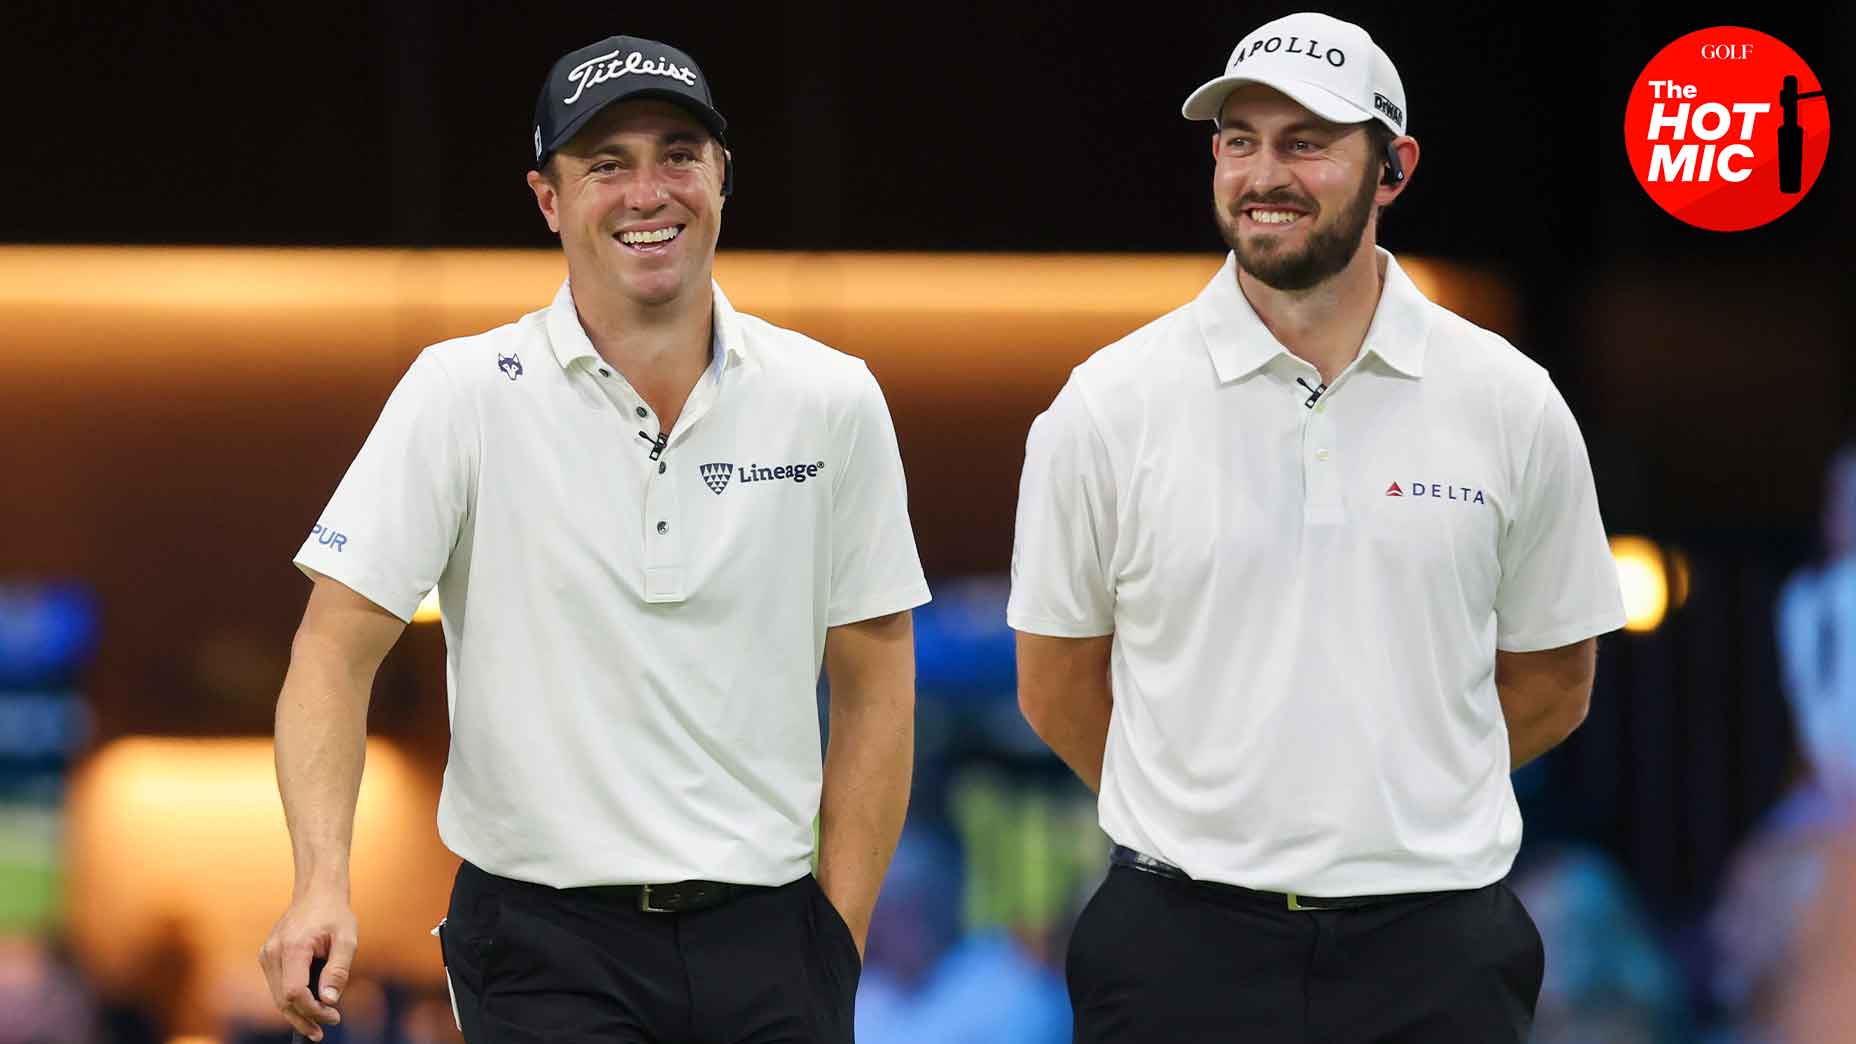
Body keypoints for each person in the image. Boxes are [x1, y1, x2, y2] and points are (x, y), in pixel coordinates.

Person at [257, 34, 929, 1044]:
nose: (646, 191)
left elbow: (876, 679)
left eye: (676, 154)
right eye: (605, 164)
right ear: (548, 199)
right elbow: (330, 649)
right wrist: (318, 882)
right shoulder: (462, 392)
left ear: (721, 177)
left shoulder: (829, 398)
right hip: (542, 945)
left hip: (775, 937)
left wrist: (839, 929)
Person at [1008, 12, 1626, 1042]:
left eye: (1306, 143)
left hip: (1436, 951)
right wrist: (1213, 809)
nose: (1264, 173)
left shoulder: (1509, 402)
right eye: (1239, 140)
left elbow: (1555, 681)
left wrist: (1393, 796)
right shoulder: (1106, 404)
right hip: (1176, 945)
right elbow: (1055, 680)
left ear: (1392, 168)